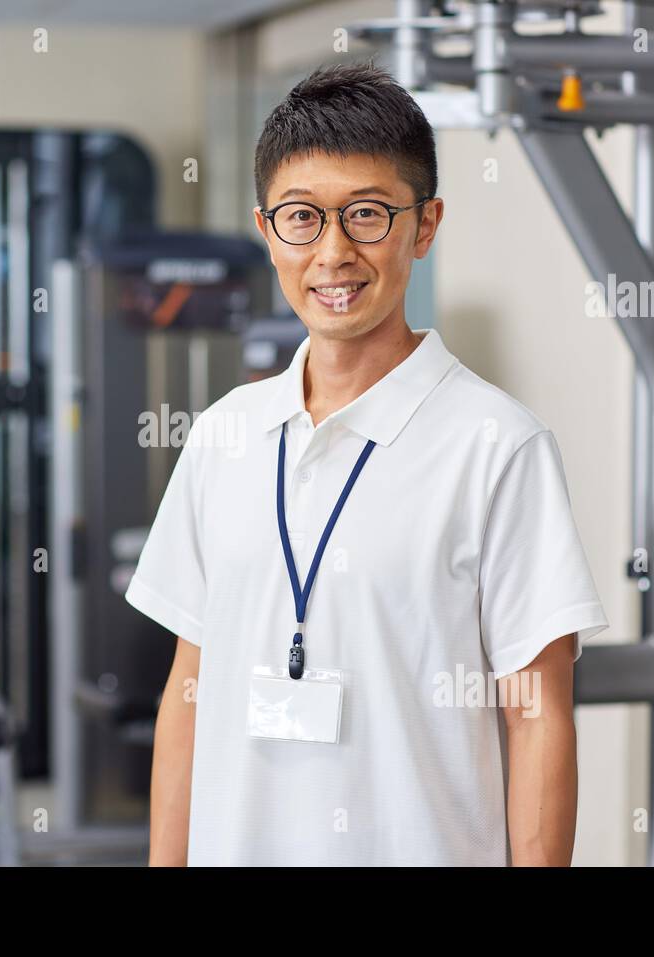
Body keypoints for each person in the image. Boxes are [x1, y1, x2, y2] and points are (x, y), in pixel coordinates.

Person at [125, 61, 608, 866]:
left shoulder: (497, 445)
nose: (334, 253)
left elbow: (536, 715)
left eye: (369, 215)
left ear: (424, 226)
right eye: (302, 218)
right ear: (267, 230)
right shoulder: (222, 436)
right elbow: (188, 688)